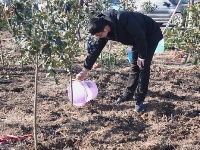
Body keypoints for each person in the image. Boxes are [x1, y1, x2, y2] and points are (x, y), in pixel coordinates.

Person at [76, 9, 163, 112]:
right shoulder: (103, 25)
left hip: (150, 34)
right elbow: (96, 49)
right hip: (137, 38)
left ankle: (140, 100)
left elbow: (140, 35)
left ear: (106, 28)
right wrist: (84, 70)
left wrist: (142, 56)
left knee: (143, 66)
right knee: (135, 66)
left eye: (100, 35)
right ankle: (127, 95)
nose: (100, 37)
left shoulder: (122, 17)